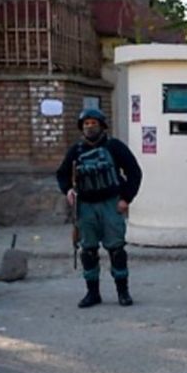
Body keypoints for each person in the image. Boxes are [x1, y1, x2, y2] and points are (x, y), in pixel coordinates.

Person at [56, 108, 143, 308]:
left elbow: (134, 172)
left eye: (94, 123)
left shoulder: (115, 147)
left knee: (116, 250)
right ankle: (92, 293)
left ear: (102, 125)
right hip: (85, 206)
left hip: (111, 204)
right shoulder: (76, 150)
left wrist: (126, 199)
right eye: (86, 124)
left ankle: (123, 292)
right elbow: (62, 174)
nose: (90, 127)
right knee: (88, 251)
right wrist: (68, 190)